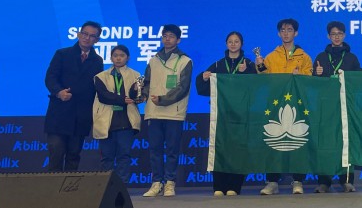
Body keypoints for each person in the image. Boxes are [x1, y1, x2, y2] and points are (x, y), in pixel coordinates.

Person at [196, 31, 257, 197]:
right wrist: (204, 77)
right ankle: (218, 186)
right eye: (230, 41)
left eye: (236, 41)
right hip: (221, 115)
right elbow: (202, 87)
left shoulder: (249, 64)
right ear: (226, 44)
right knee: (220, 148)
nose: (233, 44)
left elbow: (256, 87)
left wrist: (246, 72)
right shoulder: (217, 65)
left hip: (241, 115)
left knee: (238, 149)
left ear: (241, 44)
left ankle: (234, 186)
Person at [257, 18, 312, 195]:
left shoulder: (304, 57)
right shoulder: (271, 57)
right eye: (283, 30)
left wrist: (299, 75)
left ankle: (298, 180)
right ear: (279, 33)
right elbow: (264, 80)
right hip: (275, 105)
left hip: (297, 106)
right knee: (273, 143)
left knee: (299, 143)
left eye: (289, 30)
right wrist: (259, 66)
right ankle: (272, 181)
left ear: (296, 33)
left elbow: (309, 81)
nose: (286, 33)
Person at [141, 24, 193, 198]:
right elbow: (146, 83)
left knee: (172, 150)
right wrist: (142, 95)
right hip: (154, 111)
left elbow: (183, 88)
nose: (167, 39)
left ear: (178, 40)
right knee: (155, 150)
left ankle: (170, 182)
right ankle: (156, 183)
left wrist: (163, 99)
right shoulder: (153, 60)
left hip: (174, 113)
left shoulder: (185, 61)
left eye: (171, 36)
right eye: (165, 36)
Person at [44, 21, 104, 172]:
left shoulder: (98, 61)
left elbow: (97, 88)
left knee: (73, 156)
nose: (87, 38)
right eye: (84, 34)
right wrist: (59, 92)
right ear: (78, 34)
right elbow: (50, 78)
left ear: (97, 40)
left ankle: (70, 187)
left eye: (92, 36)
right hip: (60, 114)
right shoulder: (62, 54)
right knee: (56, 154)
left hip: (81, 117)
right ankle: (53, 187)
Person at [313, 21, 361, 193]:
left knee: (346, 142)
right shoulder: (321, 57)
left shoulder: (351, 58)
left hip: (345, 106)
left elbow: (358, 82)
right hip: (326, 107)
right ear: (328, 36)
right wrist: (316, 74)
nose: (337, 36)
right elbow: (313, 84)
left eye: (340, 33)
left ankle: (346, 180)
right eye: (333, 34)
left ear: (344, 35)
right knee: (325, 142)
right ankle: (324, 182)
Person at [92, 45, 142, 185]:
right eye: (115, 55)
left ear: (128, 58)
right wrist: (122, 99)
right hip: (107, 122)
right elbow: (104, 96)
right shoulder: (100, 77)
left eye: (122, 55)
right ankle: (105, 187)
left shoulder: (136, 75)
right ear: (111, 58)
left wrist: (136, 94)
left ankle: (122, 186)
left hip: (126, 121)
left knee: (124, 156)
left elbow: (138, 96)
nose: (118, 58)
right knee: (106, 157)